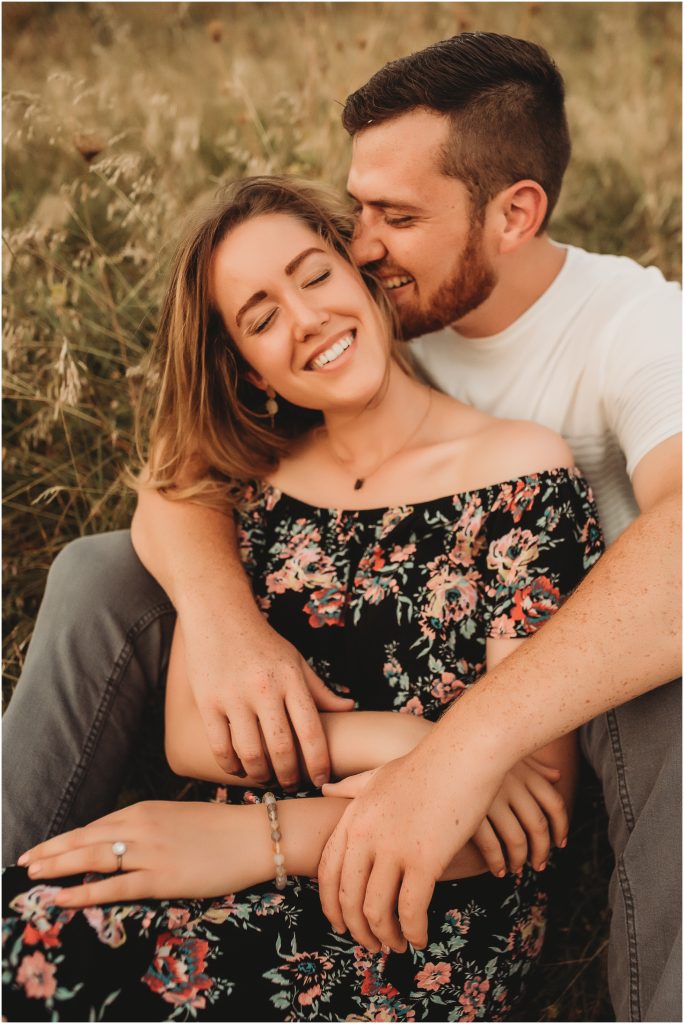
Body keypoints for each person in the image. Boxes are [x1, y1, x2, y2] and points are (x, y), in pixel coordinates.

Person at [2, 30, 680, 1022]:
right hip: (334, 807)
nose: (363, 245)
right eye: (357, 212)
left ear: (513, 215)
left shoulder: (627, 343)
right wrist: (229, 626)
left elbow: (534, 788)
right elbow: (181, 467)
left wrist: (440, 758)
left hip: (577, 710)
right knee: (99, 572)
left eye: (394, 218)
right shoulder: (333, 379)